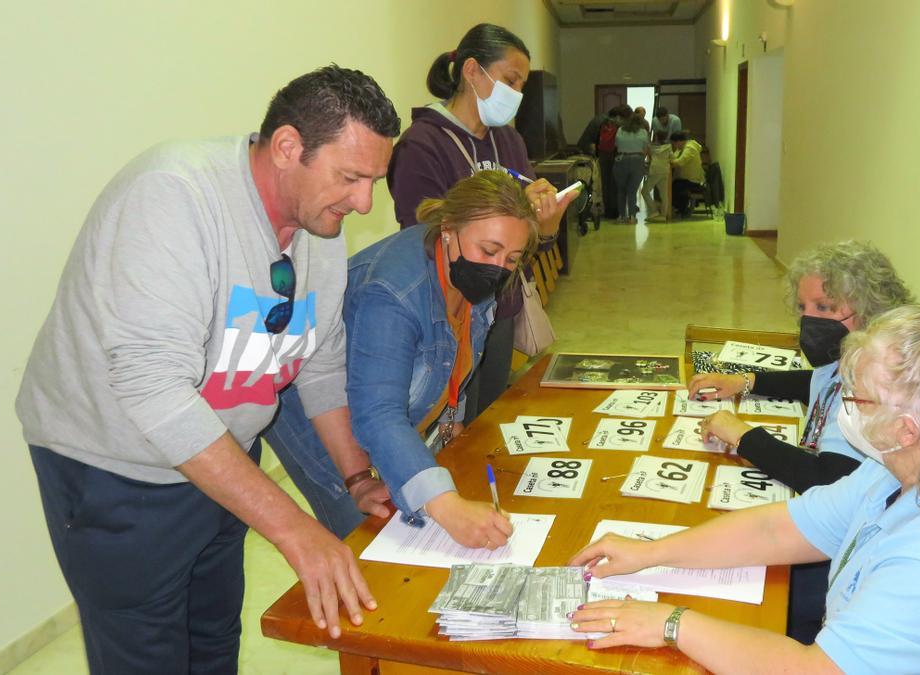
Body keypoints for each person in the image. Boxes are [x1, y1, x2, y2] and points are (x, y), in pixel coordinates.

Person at [15, 65, 401, 672]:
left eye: (372, 180)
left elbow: (320, 361)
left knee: (214, 640)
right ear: (287, 147)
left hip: (221, 456)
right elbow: (153, 390)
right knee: (149, 657)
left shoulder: (319, 223)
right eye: (351, 177)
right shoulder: (173, 195)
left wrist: (357, 478)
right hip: (117, 472)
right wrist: (294, 529)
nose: (364, 202)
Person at [570, 305, 920, 673]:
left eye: (856, 398)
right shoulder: (902, 468)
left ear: (907, 428)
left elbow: (812, 671)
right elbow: (776, 529)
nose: (844, 408)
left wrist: (671, 623)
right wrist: (651, 552)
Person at [267, 170, 535, 548]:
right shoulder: (392, 292)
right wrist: (446, 505)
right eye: (489, 251)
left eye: (512, 258)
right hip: (325, 421)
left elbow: (452, 356)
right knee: (369, 542)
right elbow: (378, 413)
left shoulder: (471, 270)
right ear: (447, 229)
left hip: (381, 412)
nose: (498, 266)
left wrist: (449, 422)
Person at [687, 240, 911, 643]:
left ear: (870, 310)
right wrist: (745, 382)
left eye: (824, 308)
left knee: (728, 595)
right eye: (803, 308)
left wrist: (741, 434)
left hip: (835, 561)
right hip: (826, 528)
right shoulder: (844, 360)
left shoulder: (872, 388)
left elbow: (826, 480)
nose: (809, 321)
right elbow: (812, 383)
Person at [387, 23, 575, 424]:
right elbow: (421, 238)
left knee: (487, 419)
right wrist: (504, 216)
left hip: (500, 307)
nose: (517, 94)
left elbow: (524, 246)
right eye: (510, 80)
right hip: (448, 315)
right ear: (472, 70)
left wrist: (544, 225)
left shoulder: (509, 142)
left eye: (521, 85)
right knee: (450, 425)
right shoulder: (422, 146)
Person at [612, 106, 649, 223]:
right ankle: (632, 216)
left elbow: (616, 145)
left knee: (621, 190)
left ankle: (621, 216)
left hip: (621, 160)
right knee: (632, 191)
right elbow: (646, 148)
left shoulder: (620, 131)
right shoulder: (643, 132)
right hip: (637, 161)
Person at [669, 131, 704, 217]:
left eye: (674, 144)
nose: (674, 146)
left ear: (679, 142)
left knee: (676, 187)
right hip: (686, 179)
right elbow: (674, 157)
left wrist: (669, 162)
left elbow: (680, 162)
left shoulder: (690, 148)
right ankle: (678, 208)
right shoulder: (681, 148)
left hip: (693, 180)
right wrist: (671, 160)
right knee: (673, 185)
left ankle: (681, 209)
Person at [640, 142, 672, 221]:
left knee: (644, 191)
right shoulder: (669, 146)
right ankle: (663, 215)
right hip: (665, 170)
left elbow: (645, 155)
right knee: (663, 194)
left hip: (655, 170)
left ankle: (654, 210)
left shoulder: (651, 147)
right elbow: (672, 158)